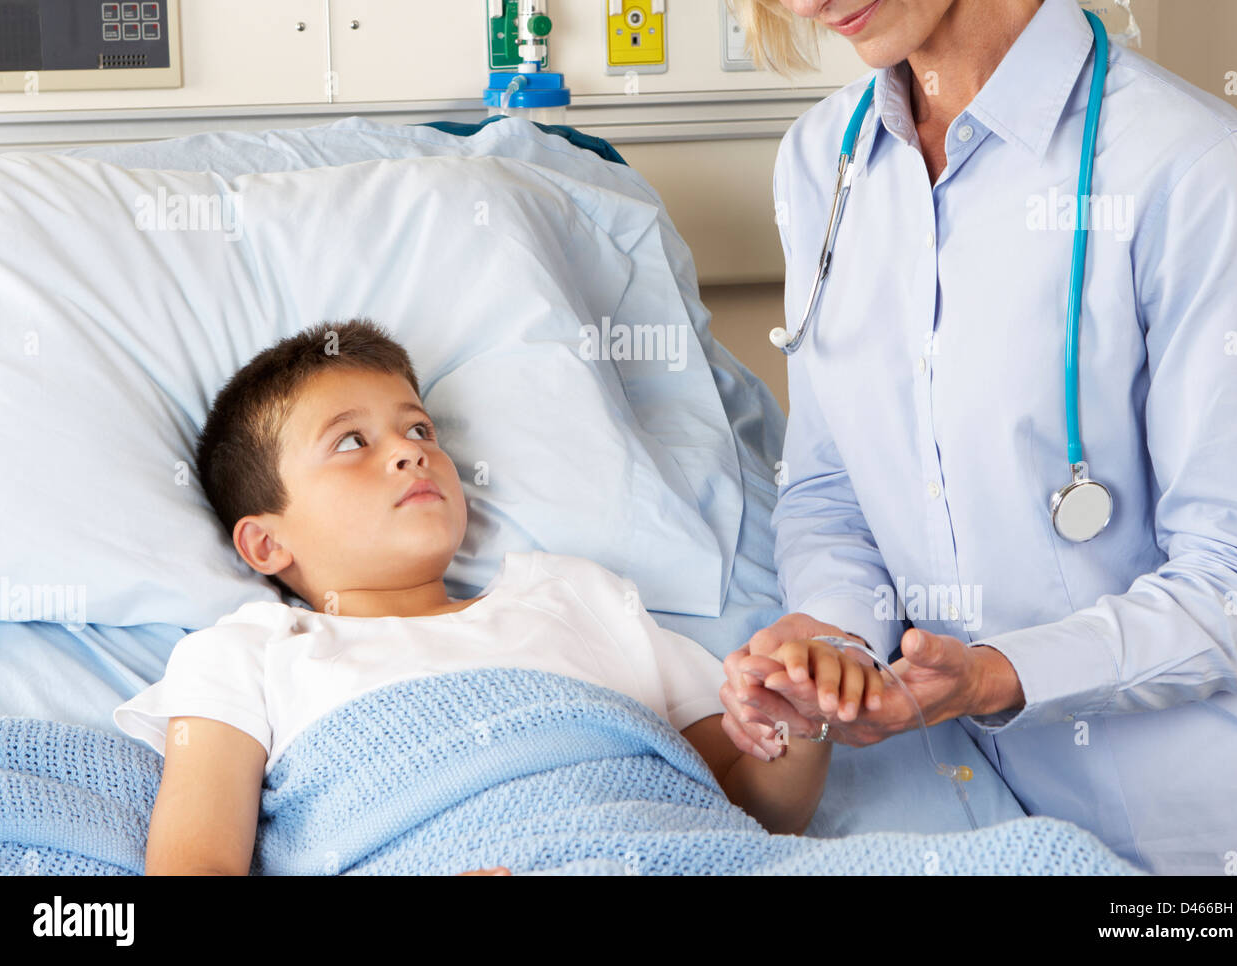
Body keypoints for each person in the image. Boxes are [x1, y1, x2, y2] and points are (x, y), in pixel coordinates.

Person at [682, 0, 1237, 874]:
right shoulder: (822, 163)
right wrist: (828, 640)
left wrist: (997, 672)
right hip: (949, 806)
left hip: (1190, 834)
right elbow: (829, 485)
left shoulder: (1194, 171)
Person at [112, 318, 832, 875]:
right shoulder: (249, 653)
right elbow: (195, 863)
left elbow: (745, 808)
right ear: (266, 545)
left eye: (418, 428)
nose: (409, 450)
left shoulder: (574, 596)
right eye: (350, 442)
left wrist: (798, 728)